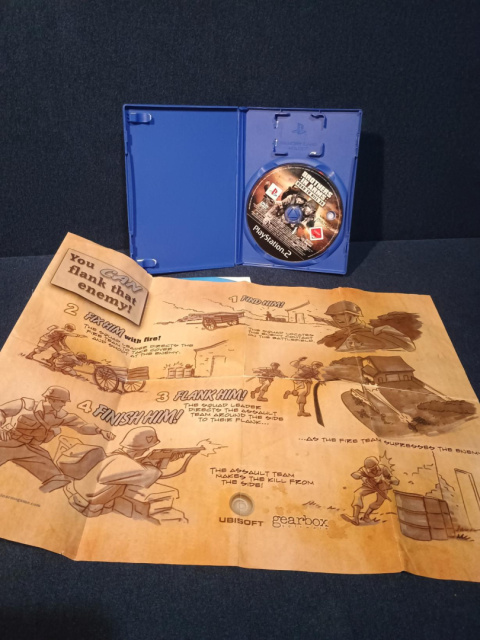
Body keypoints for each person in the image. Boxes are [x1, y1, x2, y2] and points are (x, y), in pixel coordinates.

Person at [0, 386, 115, 492]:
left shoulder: (61, 415)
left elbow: (81, 426)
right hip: (6, 442)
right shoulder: (26, 404)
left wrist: (100, 431)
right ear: (51, 399)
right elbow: (1, 411)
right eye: (62, 401)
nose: (64, 405)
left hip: (29, 449)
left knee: (56, 478)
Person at [65, 427, 196, 519]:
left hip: (79, 498)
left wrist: (154, 459)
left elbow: (131, 466)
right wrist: (158, 461)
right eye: (148, 448)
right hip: (87, 508)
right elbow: (152, 474)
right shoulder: (122, 461)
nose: (147, 451)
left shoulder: (114, 456)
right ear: (143, 448)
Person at [317, 301, 415, 352]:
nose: (337, 318)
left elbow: (410, 347)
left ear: (355, 315)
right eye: (333, 316)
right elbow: (336, 324)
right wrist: (322, 320)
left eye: (342, 314)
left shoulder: (376, 333)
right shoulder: (348, 328)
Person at [341, 456, 399, 526]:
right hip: (370, 486)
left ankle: (366, 516)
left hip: (382, 487)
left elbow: (390, 477)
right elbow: (354, 474)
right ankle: (355, 518)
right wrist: (362, 477)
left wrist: (391, 480)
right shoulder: (364, 470)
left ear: (377, 464)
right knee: (358, 493)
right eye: (370, 468)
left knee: (379, 502)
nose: (373, 469)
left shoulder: (383, 468)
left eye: (374, 467)